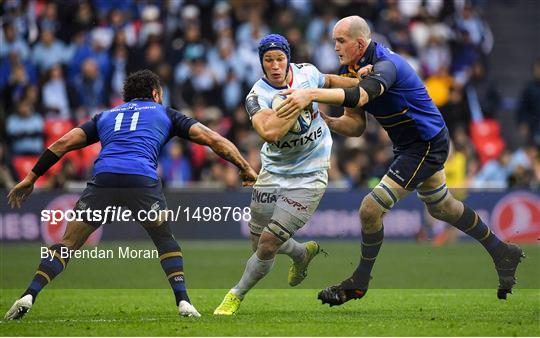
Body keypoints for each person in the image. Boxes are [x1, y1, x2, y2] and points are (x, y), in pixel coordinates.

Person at [275, 16, 524, 305]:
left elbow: (361, 95)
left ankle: (360, 282)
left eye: (340, 41)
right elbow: (355, 126)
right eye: (334, 41)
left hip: (425, 144)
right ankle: (502, 251)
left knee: (370, 210)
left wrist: (310, 94)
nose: (335, 47)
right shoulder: (352, 68)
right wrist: (323, 119)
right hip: (411, 145)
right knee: (442, 208)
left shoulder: (386, 65)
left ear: (359, 43)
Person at [4, 69, 258, 320]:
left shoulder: (106, 116)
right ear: (156, 93)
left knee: (68, 243)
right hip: (141, 180)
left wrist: (30, 178)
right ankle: (183, 302)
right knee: (165, 241)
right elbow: (213, 139)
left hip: (104, 179)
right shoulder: (166, 113)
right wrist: (245, 168)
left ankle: (29, 294)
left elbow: (61, 145)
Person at [213, 34, 360, 315]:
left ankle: (235, 295)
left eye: (280, 58)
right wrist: (300, 103)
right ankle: (302, 253)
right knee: (257, 243)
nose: (275, 65)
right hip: (272, 172)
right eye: (269, 60)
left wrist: (362, 82)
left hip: (311, 174)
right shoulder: (256, 96)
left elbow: (330, 82)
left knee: (267, 245)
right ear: (262, 63)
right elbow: (270, 132)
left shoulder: (307, 74)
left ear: (288, 59)